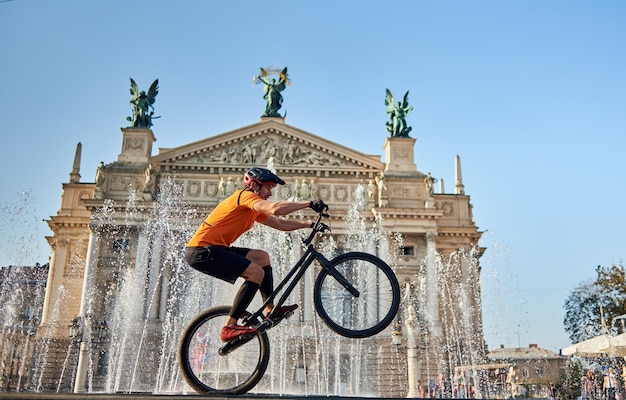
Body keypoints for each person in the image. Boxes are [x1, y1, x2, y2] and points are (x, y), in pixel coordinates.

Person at [185, 167, 327, 342]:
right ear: (254, 185)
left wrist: (309, 224)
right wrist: (309, 203)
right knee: (256, 272)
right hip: (201, 250)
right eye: (268, 188)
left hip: (215, 248)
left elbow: (280, 224)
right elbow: (275, 209)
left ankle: (270, 310)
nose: (269, 193)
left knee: (262, 257)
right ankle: (229, 326)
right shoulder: (244, 197)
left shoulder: (252, 209)